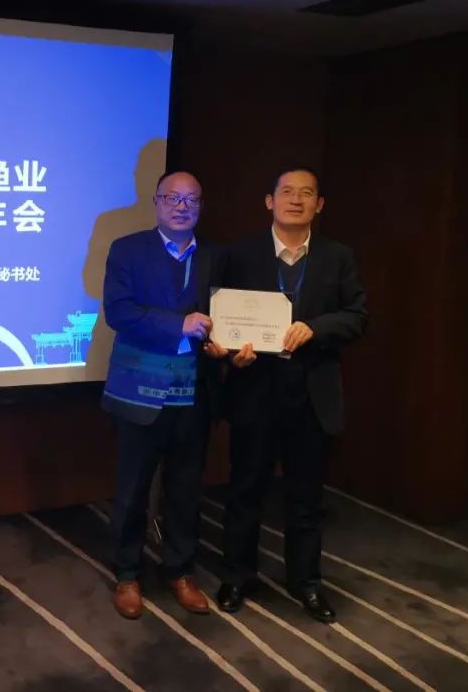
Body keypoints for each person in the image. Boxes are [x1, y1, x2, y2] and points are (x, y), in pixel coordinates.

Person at [212, 166, 367, 623]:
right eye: (286, 192)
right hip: (255, 389)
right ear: (269, 201)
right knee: (245, 491)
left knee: (306, 498)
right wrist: (231, 356)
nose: (295, 200)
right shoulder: (240, 254)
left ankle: (307, 583)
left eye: (306, 194)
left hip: (311, 394)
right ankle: (237, 576)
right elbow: (220, 318)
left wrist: (316, 328)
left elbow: (357, 316)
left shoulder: (338, 257)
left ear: (319, 205)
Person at [102, 170, 226, 619]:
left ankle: (179, 570)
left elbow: (226, 315)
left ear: (201, 206)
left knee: (186, 489)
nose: (181, 206)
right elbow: (119, 312)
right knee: (132, 488)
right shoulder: (127, 249)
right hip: (139, 391)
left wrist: (226, 342)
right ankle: (127, 574)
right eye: (172, 198)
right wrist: (179, 324)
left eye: (191, 199)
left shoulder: (215, 256)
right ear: (156, 202)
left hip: (194, 392)